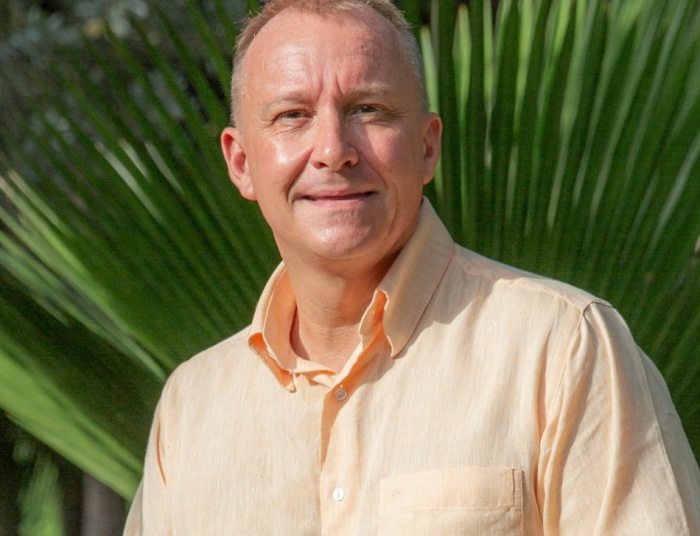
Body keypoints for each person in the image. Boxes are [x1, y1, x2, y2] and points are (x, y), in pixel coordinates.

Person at [124, 0, 700, 534]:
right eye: (293, 115)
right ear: (241, 162)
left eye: (367, 109)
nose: (333, 150)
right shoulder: (191, 407)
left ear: (427, 146)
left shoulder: (562, 348)